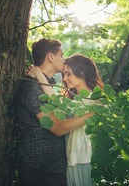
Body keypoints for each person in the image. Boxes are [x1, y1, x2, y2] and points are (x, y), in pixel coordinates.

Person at [15, 38, 94, 186]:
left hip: (53, 167)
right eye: (61, 56)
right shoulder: (33, 88)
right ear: (51, 57)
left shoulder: (46, 85)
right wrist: (93, 114)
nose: (64, 60)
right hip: (40, 169)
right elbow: (58, 128)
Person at [27, 54, 103, 186]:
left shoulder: (94, 99)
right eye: (64, 75)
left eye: (68, 74)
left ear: (82, 72)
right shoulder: (74, 100)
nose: (65, 79)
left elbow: (54, 99)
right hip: (70, 160)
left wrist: (39, 74)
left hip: (82, 160)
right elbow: (55, 98)